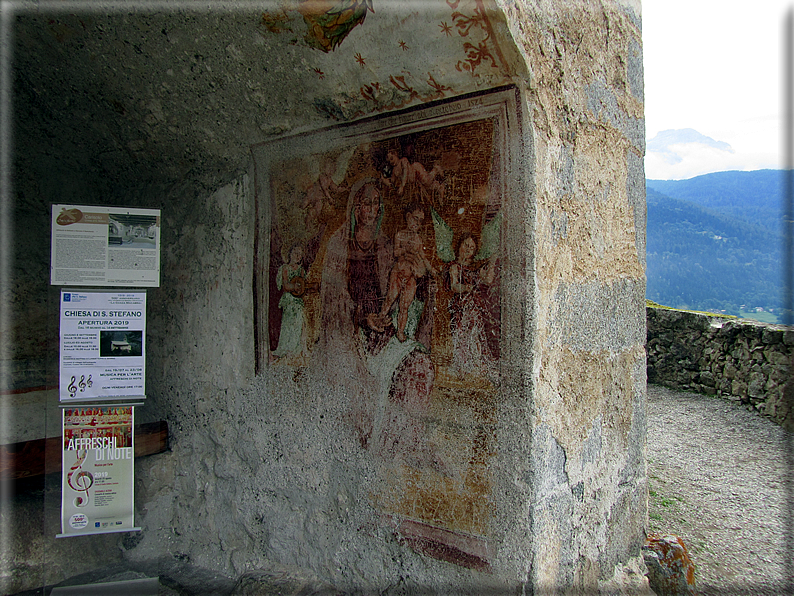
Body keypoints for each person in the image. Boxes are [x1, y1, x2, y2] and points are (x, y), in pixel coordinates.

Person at [317, 179, 441, 467]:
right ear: (354, 207)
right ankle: (369, 452)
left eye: (375, 203)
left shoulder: (387, 244)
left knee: (420, 367)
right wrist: (362, 317)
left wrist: (423, 281)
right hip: (350, 332)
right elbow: (333, 301)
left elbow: (402, 285)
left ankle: (402, 446)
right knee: (354, 380)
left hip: (385, 329)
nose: (371, 209)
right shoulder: (339, 245)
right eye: (365, 202)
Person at [379, 204, 436, 342]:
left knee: (404, 306)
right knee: (390, 298)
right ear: (408, 217)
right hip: (398, 273)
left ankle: (400, 331)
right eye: (415, 219)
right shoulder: (400, 235)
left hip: (411, 276)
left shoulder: (418, 240)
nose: (417, 223)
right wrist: (406, 250)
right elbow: (396, 252)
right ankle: (380, 319)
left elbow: (423, 256)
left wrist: (431, 269)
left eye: (420, 221)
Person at [448, 233, 499, 381]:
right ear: (459, 246)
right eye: (466, 245)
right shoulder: (455, 267)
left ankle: (477, 364)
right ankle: (462, 367)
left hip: (474, 306)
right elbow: (454, 285)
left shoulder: (475, 268)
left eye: (472, 248)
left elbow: (488, 279)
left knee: (476, 334)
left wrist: (493, 260)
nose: (468, 249)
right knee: (461, 334)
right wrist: (466, 287)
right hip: (461, 305)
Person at [272, 243, 307, 359]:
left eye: (300, 254)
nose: (298, 256)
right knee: (287, 324)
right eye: (295, 253)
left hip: (298, 301)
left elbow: (303, 285)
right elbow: (286, 285)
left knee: (298, 324)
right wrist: (294, 287)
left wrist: (301, 288)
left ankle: (295, 349)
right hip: (289, 300)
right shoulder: (285, 268)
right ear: (290, 253)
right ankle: (285, 348)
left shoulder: (301, 270)